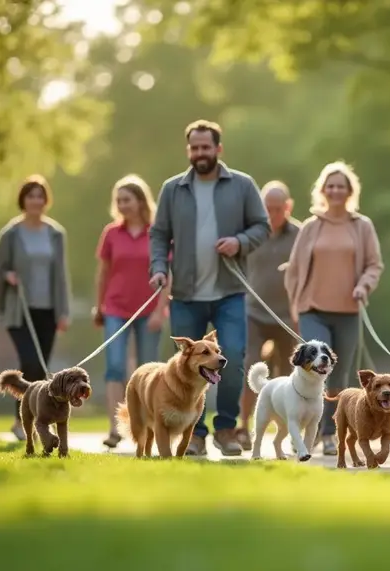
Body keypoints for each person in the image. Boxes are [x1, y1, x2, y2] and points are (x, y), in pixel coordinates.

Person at [149, 119, 270, 457]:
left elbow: (261, 226)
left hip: (229, 292)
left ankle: (227, 429)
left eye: (206, 147)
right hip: (186, 295)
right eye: (194, 148)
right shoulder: (173, 189)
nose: (200, 153)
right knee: (187, 368)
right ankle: (196, 432)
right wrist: (159, 269)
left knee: (231, 356)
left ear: (219, 149)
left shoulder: (242, 185)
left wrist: (239, 241)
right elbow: (159, 235)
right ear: (189, 150)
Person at [284, 161, 384, 456]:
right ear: (323, 190)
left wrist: (364, 285)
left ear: (350, 191)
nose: (336, 190)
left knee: (339, 377)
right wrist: (295, 303)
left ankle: (330, 434)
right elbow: (294, 269)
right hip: (312, 308)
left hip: (349, 311)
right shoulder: (311, 227)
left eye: (341, 186)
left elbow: (374, 265)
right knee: (314, 369)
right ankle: (309, 429)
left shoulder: (361, 226)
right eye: (331, 186)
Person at [0, 175, 72, 441]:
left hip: (48, 309)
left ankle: (33, 420)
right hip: (19, 309)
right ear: (22, 200)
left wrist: (64, 311)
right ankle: (20, 420)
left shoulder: (56, 233)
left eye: (40, 196)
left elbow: (61, 275)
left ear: (45, 200)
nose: (35, 200)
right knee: (30, 364)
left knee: (40, 366)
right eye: (30, 196)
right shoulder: (11, 234)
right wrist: (8, 276)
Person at [93, 174, 169, 448]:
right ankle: (114, 428)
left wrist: (161, 310)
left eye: (127, 199)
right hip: (115, 307)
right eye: (119, 200)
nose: (122, 205)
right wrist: (99, 305)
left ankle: (145, 426)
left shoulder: (157, 232)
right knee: (114, 366)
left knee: (148, 369)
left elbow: (166, 273)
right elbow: (102, 273)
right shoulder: (111, 233)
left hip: (149, 309)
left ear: (140, 201)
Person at [235, 180, 302, 451]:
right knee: (251, 365)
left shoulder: (299, 234)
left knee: (286, 374)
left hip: (287, 315)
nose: (273, 213)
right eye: (267, 208)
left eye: (278, 208)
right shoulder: (251, 233)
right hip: (254, 312)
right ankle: (242, 425)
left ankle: (285, 431)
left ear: (288, 207)